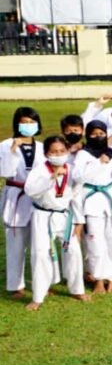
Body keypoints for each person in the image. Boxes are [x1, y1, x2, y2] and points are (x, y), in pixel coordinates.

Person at [23, 136, 85, 310]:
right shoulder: (39, 170)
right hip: (42, 216)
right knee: (41, 254)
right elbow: (30, 191)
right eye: (54, 151)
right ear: (46, 154)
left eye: (62, 151)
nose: (58, 154)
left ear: (67, 152)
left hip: (64, 216)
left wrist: (78, 222)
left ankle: (76, 289)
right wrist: (51, 178)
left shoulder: (72, 169)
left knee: (72, 250)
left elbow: (76, 194)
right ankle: (38, 296)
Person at [74, 120, 112, 295]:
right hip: (92, 201)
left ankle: (111, 278)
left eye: (101, 133)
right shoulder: (83, 155)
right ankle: (97, 279)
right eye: (94, 134)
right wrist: (100, 162)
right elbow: (78, 177)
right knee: (95, 242)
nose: (98, 137)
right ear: (88, 136)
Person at [1, 107, 43, 297]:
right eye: (24, 122)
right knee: (15, 244)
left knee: (40, 244)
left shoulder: (42, 147)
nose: (28, 126)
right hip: (15, 195)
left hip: (37, 197)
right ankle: (15, 285)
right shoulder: (5, 145)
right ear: (17, 124)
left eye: (31, 122)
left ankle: (43, 282)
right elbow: (5, 173)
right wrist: (12, 151)